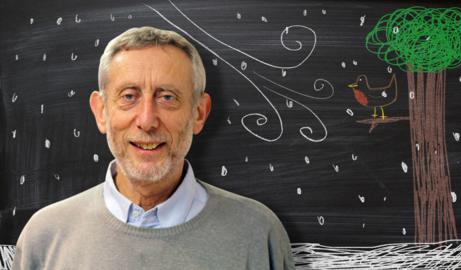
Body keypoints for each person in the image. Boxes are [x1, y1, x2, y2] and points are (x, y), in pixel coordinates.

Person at [12, 26, 294, 269]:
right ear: (101, 112)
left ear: (199, 113)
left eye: (168, 97)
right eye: (129, 96)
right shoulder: (44, 237)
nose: (147, 120)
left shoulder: (259, 234)